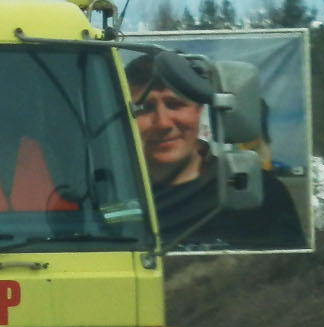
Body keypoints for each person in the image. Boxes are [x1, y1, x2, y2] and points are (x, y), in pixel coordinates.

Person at [124, 55, 305, 249]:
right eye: (145, 108)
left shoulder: (255, 193)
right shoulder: (108, 196)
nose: (163, 123)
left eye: (175, 104)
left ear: (199, 109)